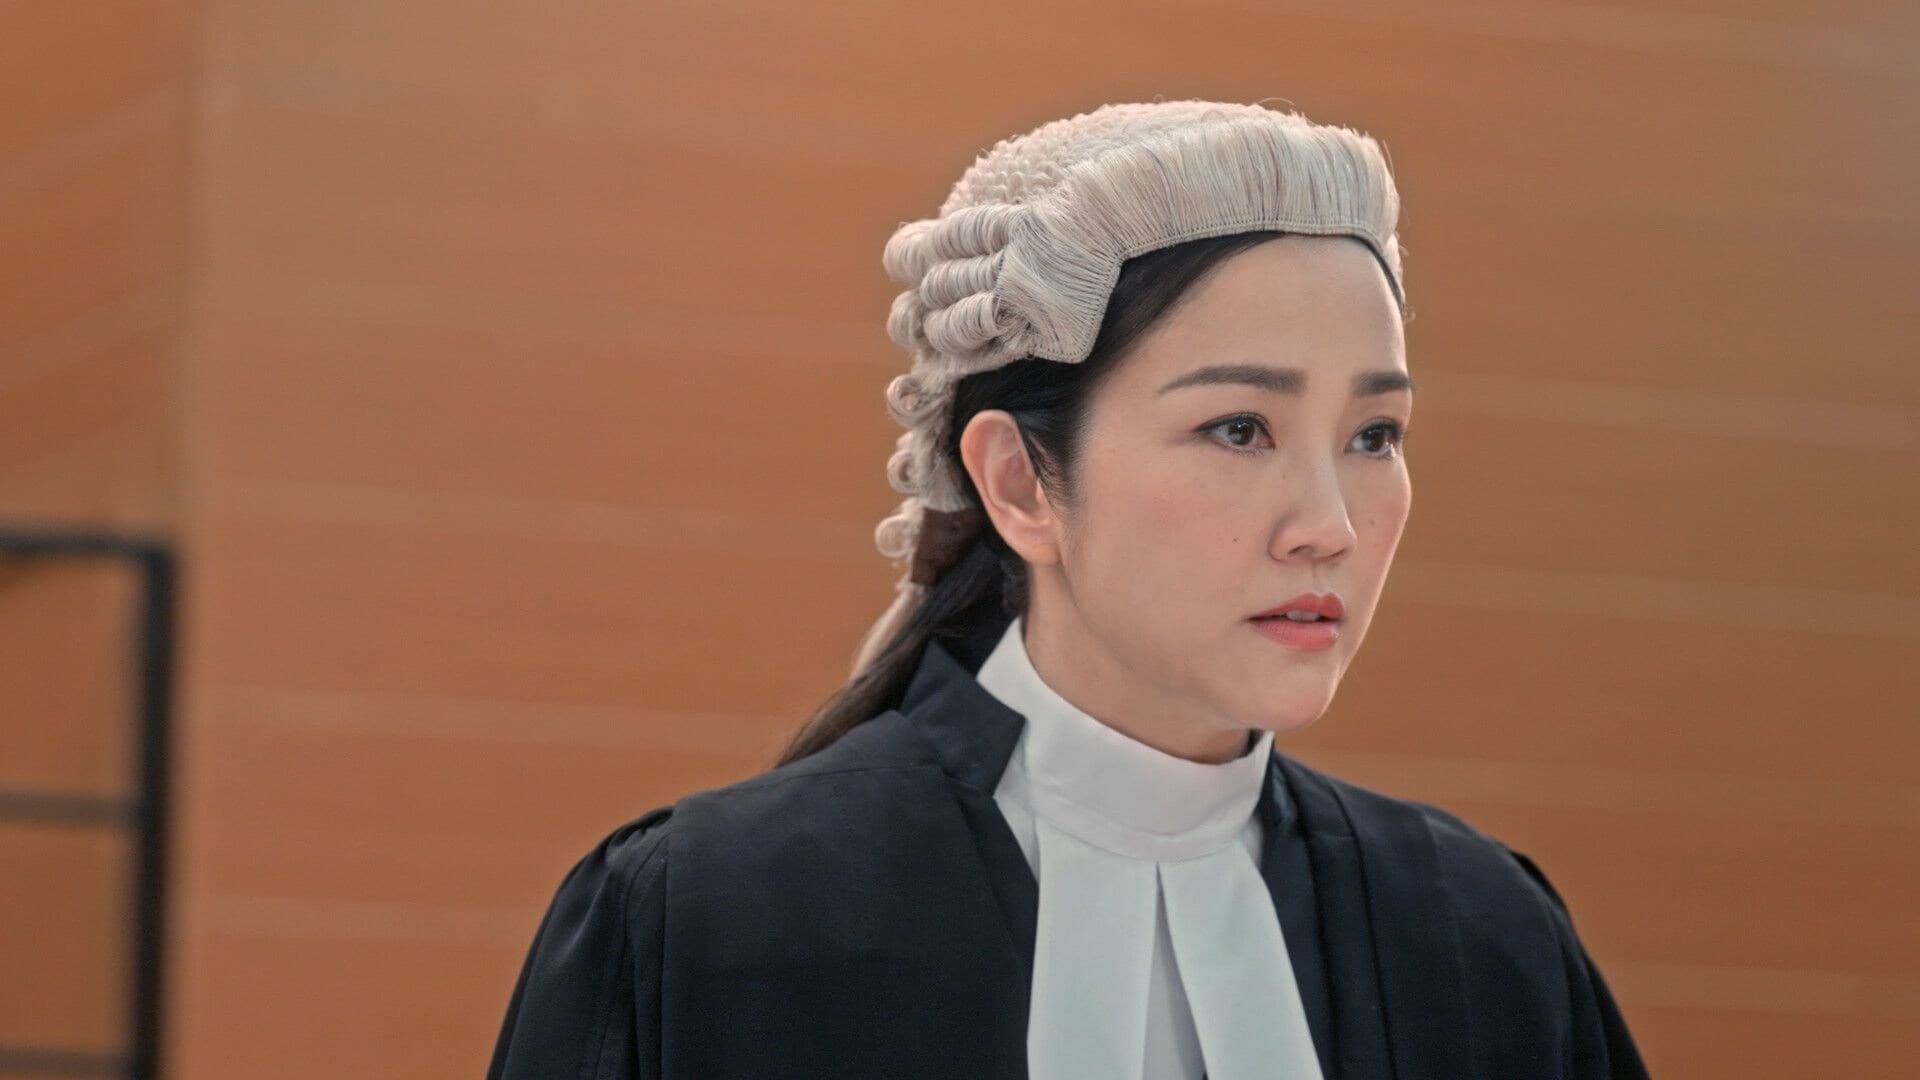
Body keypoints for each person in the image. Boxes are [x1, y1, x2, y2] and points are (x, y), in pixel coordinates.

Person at [486, 100, 1652, 1079]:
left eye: (1374, 435)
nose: (1330, 527)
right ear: (1019, 483)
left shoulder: (1481, 939)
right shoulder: (709, 922)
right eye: (1239, 428)